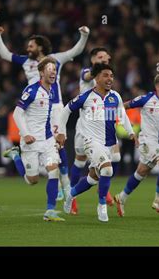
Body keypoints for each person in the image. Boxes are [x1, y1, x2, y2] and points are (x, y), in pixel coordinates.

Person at [0, 25, 90, 200]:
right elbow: (4, 55)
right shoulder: (26, 61)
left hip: (55, 107)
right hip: (35, 109)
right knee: (45, 149)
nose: (28, 48)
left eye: (31, 45)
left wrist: (84, 35)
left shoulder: (55, 60)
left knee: (59, 143)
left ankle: (64, 185)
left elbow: (75, 51)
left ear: (40, 47)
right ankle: (61, 184)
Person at [57, 63, 137, 222]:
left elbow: (122, 115)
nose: (110, 79)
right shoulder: (86, 97)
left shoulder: (115, 97)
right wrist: (61, 132)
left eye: (111, 76)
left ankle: (70, 194)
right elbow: (66, 110)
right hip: (91, 141)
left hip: (109, 142)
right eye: (106, 75)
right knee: (107, 170)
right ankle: (102, 206)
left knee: (93, 178)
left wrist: (131, 133)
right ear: (96, 78)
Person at [2, 57, 64, 222]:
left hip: (48, 139)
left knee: (53, 170)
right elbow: (17, 113)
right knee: (32, 180)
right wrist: (25, 133)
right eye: (49, 69)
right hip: (31, 141)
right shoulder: (32, 90)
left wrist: (56, 134)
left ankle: (50, 211)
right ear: (41, 72)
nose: (53, 72)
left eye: (55, 69)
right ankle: (16, 155)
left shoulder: (52, 90)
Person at [114, 73, 159, 216]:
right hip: (146, 141)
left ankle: (121, 197)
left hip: (158, 143)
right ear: (158, 87)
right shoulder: (146, 99)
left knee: (141, 173)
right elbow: (123, 106)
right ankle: (158, 200)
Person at [69, 47, 115, 214]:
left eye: (106, 58)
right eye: (101, 58)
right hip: (85, 127)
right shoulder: (88, 72)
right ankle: (72, 197)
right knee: (80, 161)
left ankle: (102, 189)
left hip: (102, 128)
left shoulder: (108, 78)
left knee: (111, 158)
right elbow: (87, 76)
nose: (104, 61)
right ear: (93, 59)